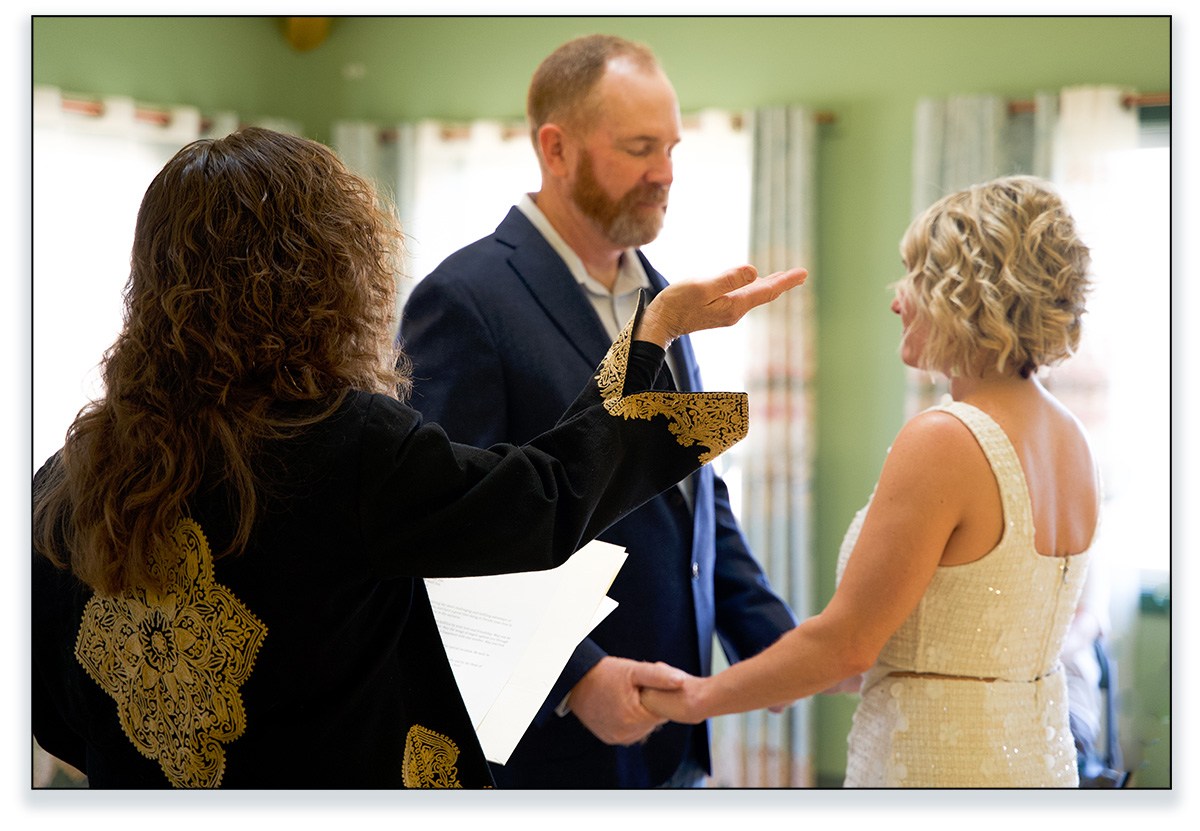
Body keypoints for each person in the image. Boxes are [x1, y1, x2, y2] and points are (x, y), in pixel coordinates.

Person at [30, 127, 807, 789]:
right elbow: (542, 499)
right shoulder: (335, 441)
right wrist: (649, 338)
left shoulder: (63, 481)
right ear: (331, 278)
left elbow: (54, 709)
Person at [399, 34, 799, 789]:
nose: (666, 174)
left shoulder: (667, 296)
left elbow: (693, 494)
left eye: (673, 148)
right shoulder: (463, 301)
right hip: (556, 751)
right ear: (556, 148)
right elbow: (447, 534)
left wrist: (775, 642)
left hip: (675, 736)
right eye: (641, 147)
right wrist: (576, 678)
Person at [641, 175, 1099, 788]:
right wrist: (784, 663)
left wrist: (695, 699)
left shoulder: (946, 439)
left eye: (914, 275)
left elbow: (847, 646)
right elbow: (921, 645)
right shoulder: (1073, 440)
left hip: (938, 771)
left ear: (964, 293)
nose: (896, 299)